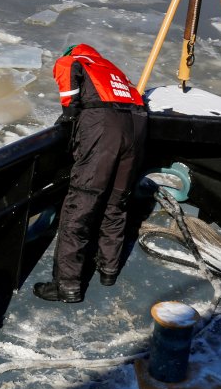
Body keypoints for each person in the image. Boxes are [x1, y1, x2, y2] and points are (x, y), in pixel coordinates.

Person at [33, 43, 148, 303]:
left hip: (104, 129)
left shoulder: (73, 61)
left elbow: (70, 99)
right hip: (137, 126)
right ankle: (109, 270)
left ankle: (67, 286)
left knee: (80, 207)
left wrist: (69, 118)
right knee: (116, 203)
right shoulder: (111, 69)